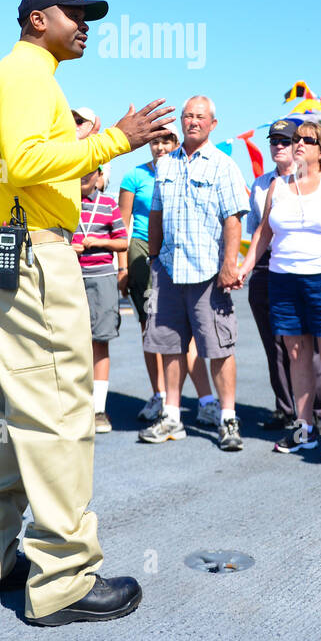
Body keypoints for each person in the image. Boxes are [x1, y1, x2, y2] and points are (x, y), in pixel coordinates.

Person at [0, 0, 174, 626]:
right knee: (58, 415)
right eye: (73, 14)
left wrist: (83, 138)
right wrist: (115, 140)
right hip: (32, 255)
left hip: (4, 247)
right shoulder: (28, 73)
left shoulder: (23, 73)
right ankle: (62, 579)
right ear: (36, 19)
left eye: (86, 15)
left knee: (4, 410)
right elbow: (24, 162)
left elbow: (22, 160)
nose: (84, 24)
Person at [239, 120, 321, 461]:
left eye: (306, 139)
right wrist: (245, 267)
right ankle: (304, 426)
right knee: (296, 354)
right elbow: (263, 233)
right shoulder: (277, 186)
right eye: (295, 139)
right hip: (284, 279)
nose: (297, 144)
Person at [140, 96, 251, 452]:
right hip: (169, 271)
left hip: (208, 273)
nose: (193, 121)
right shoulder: (165, 165)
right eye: (188, 116)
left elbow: (233, 218)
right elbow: (156, 214)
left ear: (213, 124)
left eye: (200, 117)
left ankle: (228, 418)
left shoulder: (223, 165)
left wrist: (230, 264)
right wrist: (154, 259)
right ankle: (171, 415)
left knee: (218, 348)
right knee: (169, 346)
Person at [245, 117, 321, 433]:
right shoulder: (261, 184)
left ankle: (318, 411)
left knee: (309, 346)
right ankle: (285, 408)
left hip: (305, 267)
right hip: (266, 266)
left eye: (285, 140)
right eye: (274, 141)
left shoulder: (320, 181)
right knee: (274, 344)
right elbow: (258, 231)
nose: (279, 146)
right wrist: (244, 268)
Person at [119, 131, 219, 425]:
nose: (160, 147)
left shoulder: (184, 171)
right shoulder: (134, 176)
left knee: (187, 329)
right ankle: (159, 396)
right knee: (150, 328)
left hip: (179, 250)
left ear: (177, 144)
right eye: (155, 142)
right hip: (142, 251)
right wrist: (123, 269)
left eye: (166, 142)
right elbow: (121, 226)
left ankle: (206, 400)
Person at [74, 167, 128, 433]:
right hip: (71, 278)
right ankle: (75, 408)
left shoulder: (108, 204)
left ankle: (98, 409)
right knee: (71, 344)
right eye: (80, 171)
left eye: (90, 171)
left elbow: (123, 242)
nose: (85, 176)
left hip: (102, 278)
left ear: (98, 175)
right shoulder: (64, 202)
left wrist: (99, 242)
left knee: (100, 341)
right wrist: (67, 247)